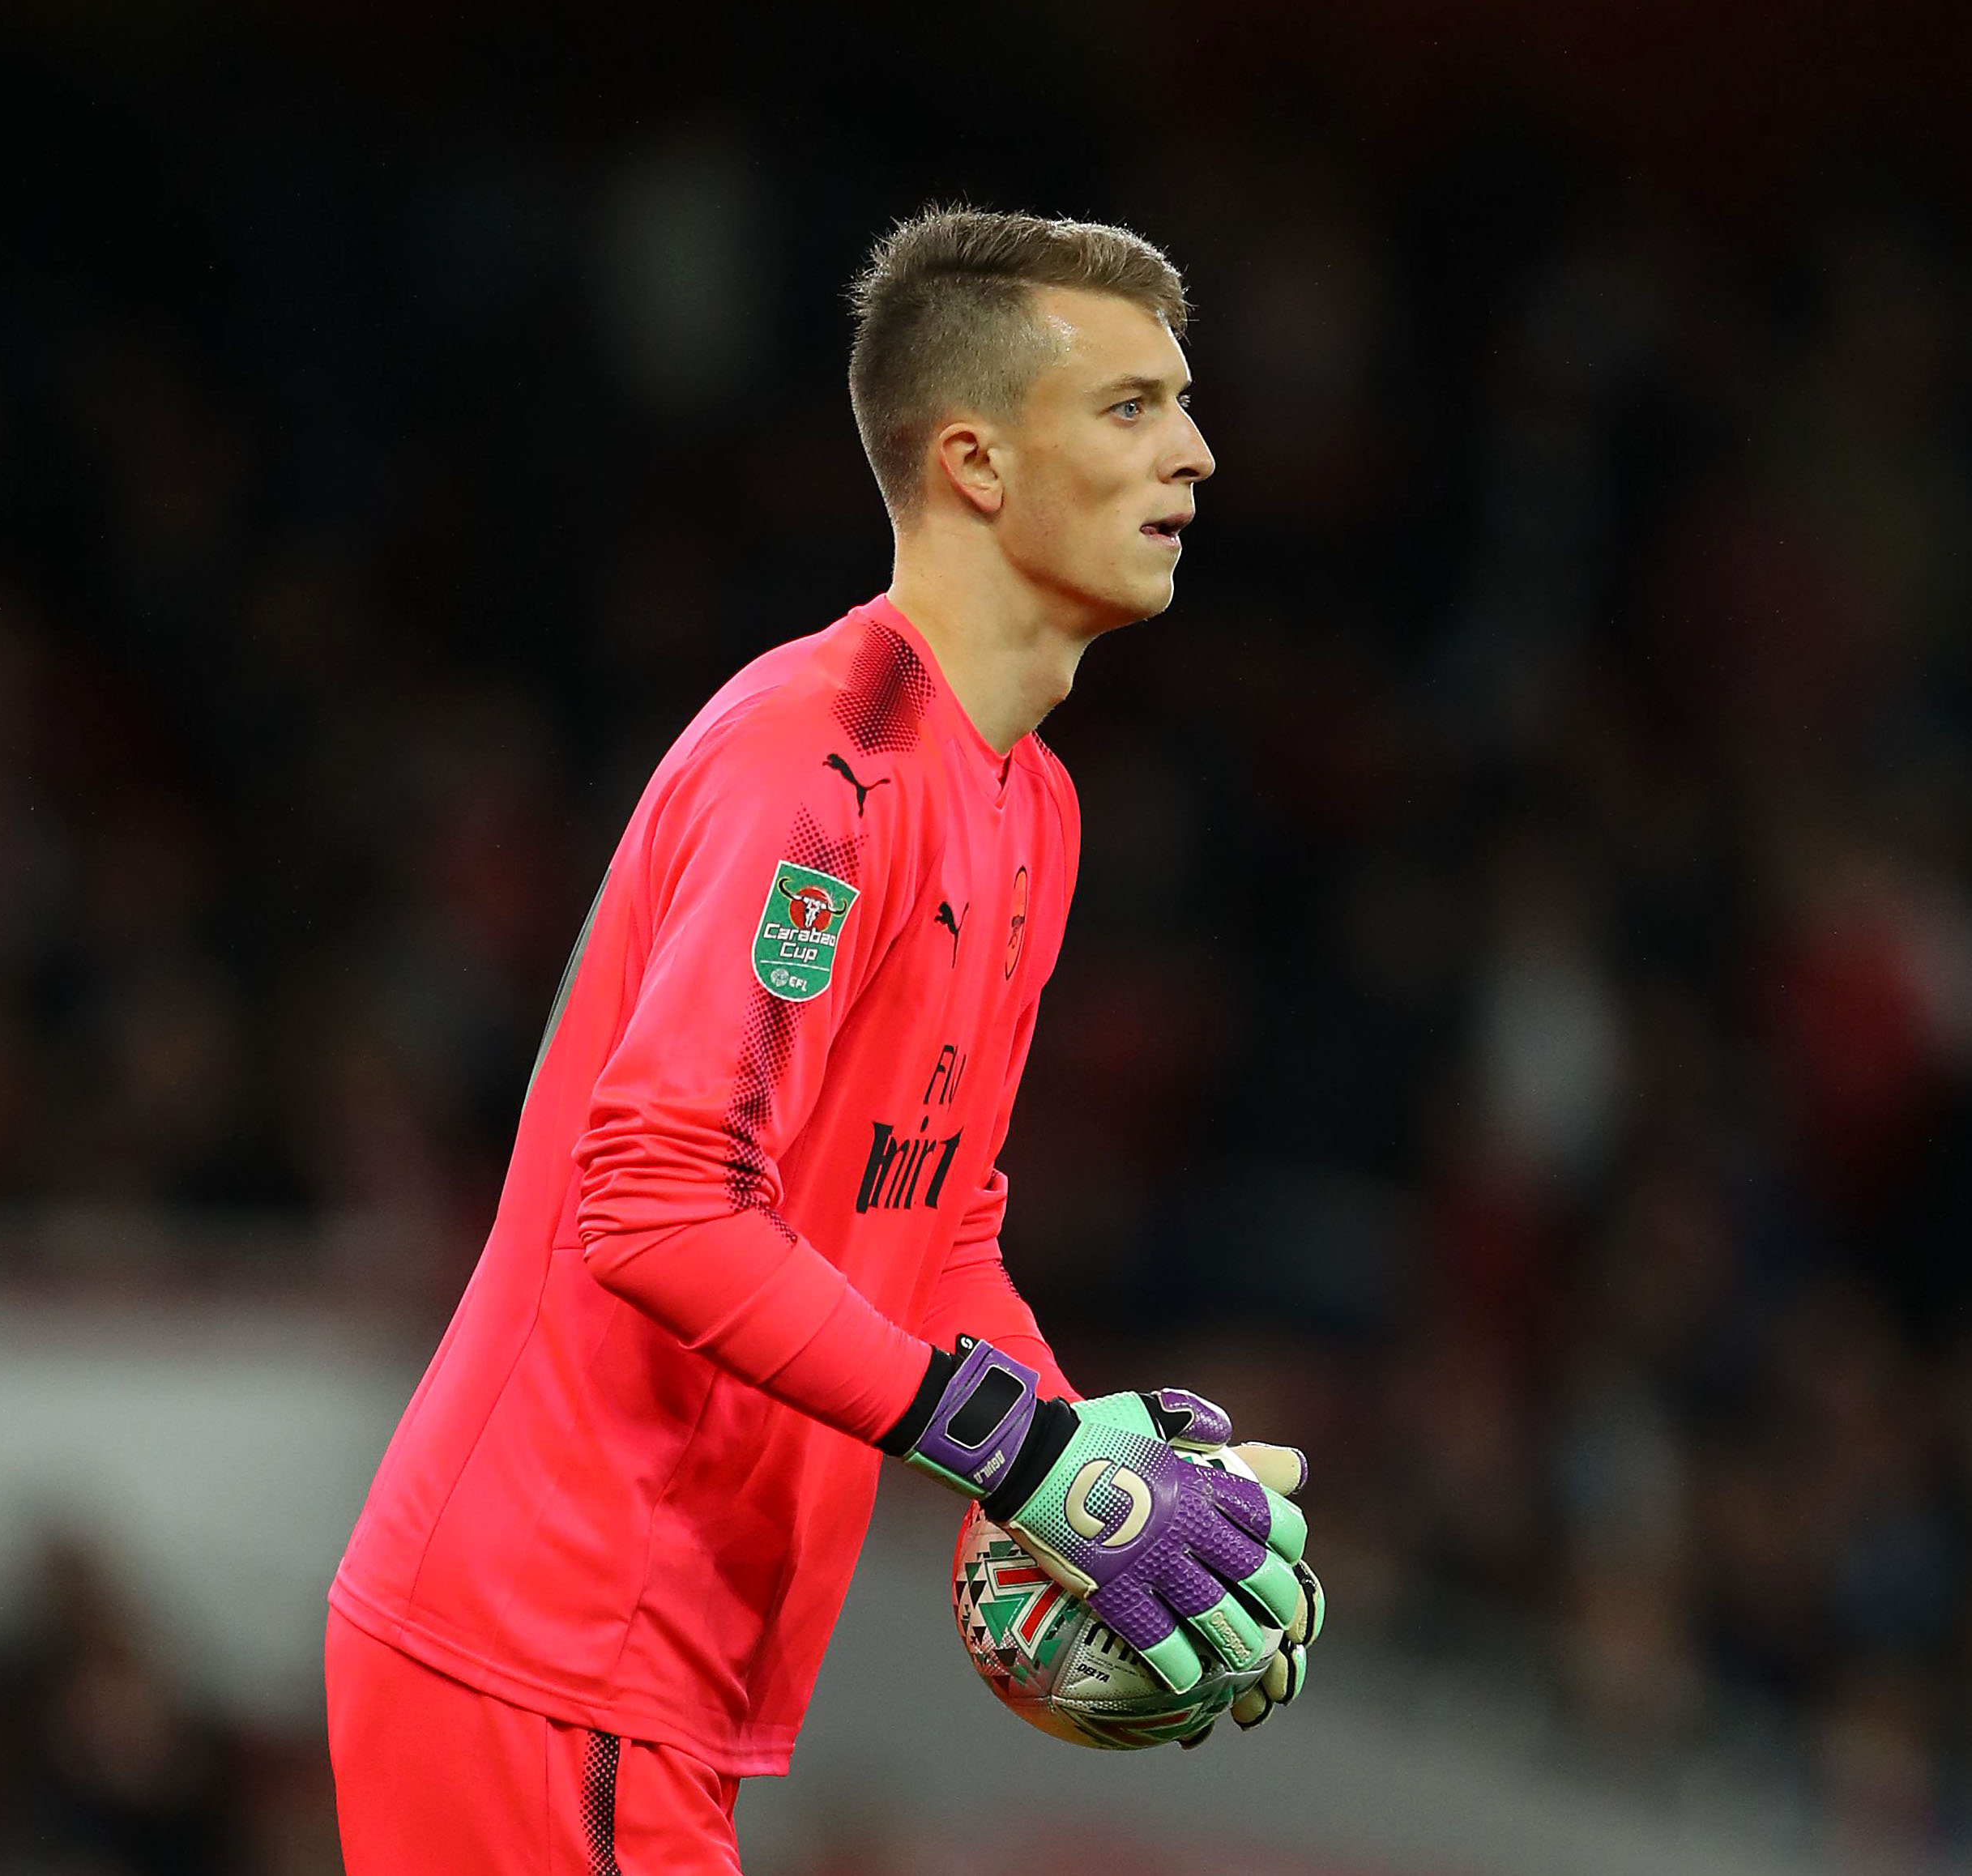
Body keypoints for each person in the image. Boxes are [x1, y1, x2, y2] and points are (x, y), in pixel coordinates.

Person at [324, 207, 1321, 1876]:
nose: (1201, 454)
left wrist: (1092, 1467)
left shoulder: (1030, 803)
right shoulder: (822, 766)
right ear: (976, 464)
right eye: (1135, 407)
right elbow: (656, 1206)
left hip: (648, 1681)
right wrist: (1030, 1459)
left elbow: (935, 1232)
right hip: (543, 1650)